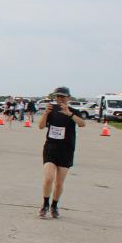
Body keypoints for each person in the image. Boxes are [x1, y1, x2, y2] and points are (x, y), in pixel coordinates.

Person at [38, 87, 85, 219]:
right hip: (51, 147)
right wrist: (45, 114)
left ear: (68, 97)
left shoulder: (74, 111)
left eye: (62, 96)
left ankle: (54, 206)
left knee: (59, 183)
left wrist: (69, 114)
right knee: (48, 178)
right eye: (57, 96)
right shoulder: (51, 110)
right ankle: (45, 204)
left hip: (66, 150)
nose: (59, 99)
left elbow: (82, 124)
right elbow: (41, 126)